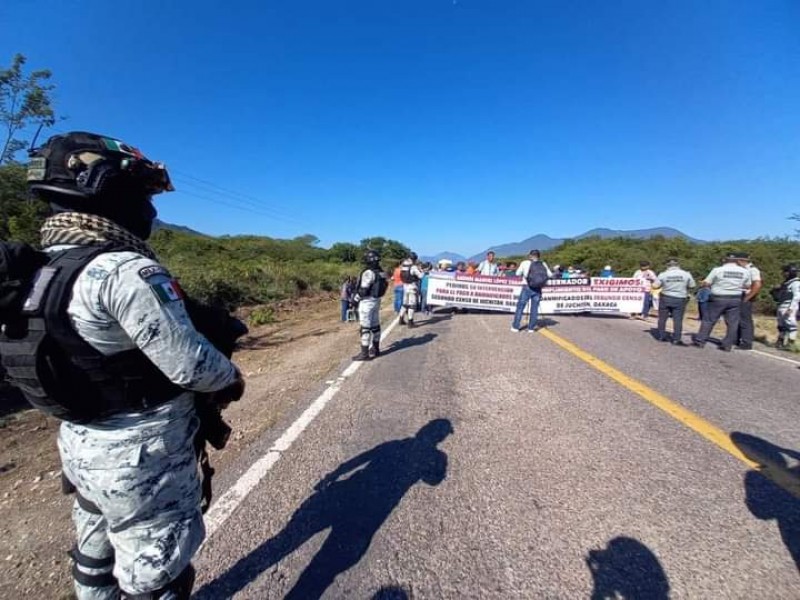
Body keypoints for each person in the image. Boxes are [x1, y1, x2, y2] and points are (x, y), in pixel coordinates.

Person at [17, 131, 245, 599]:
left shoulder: (42, 268)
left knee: (94, 555)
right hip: (142, 453)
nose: (150, 208)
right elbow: (192, 366)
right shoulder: (125, 270)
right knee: (156, 572)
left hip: (80, 441)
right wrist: (232, 378)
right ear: (105, 187)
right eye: (140, 191)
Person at [693, 253, 752, 351]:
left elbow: (707, 282)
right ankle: (727, 345)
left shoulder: (717, 270)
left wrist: (708, 285)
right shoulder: (744, 271)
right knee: (732, 323)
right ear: (736, 260)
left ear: (725, 260)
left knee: (709, 320)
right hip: (735, 298)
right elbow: (747, 285)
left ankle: (700, 340)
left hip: (718, 297)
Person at [353, 249, 386, 360]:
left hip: (367, 302)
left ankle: (364, 353)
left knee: (365, 328)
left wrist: (355, 299)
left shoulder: (369, 272)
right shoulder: (381, 272)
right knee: (376, 326)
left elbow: (363, 290)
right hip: (376, 301)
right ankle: (376, 349)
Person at [655, 258, 696, 345]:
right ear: (678, 265)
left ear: (667, 265)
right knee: (678, 320)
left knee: (662, 318)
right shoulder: (686, 274)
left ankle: (661, 336)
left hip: (665, 297)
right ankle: (676, 339)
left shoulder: (663, 274)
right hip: (680, 298)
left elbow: (655, 286)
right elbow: (692, 285)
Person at [511, 249, 552, 332]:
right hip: (538, 288)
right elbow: (550, 274)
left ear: (530, 255)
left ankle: (515, 327)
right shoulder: (543, 263)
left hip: (527, 287)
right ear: (538, 256)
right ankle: (531, 328)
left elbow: (517, 273)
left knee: (520, 307)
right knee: (534, 309)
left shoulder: (525, 263)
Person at [735, 254, 763, 350]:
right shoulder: (743, 269)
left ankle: (747, 342)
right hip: (740, 295)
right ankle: (736, 339)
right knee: (737, 318)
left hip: (746, 295)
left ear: (740, 260)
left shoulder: (752, 270)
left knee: (745, 320)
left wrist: (748, 297)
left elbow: (757, 284)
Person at [774, 264, 800, 350]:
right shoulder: (787, 283)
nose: (784, 274)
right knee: (781, 325)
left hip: (788, 306)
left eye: (785, 272)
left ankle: (790, 343)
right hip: (782, 305)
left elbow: (797, 297)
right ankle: (780, 340)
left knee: (791, 325)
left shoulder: (796, 283)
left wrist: (791, 308)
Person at [398, 252, 425, 327]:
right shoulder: (413, 267)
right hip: (412, 286)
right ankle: (410, 322)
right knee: (412, 305)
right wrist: (423, 271)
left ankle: (401, 319)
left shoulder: (403, 265)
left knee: (404, 304)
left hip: (405, 286)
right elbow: (420, 276)